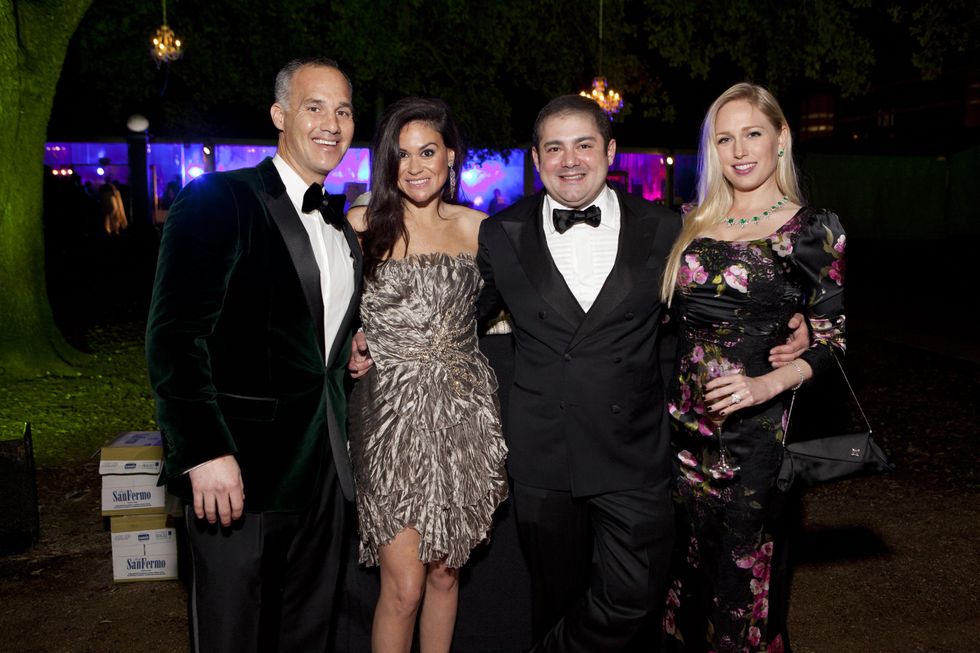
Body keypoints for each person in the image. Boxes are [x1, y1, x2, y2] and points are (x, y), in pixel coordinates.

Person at [472, 94, 809, 653]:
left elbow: (713, 303)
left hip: (635, 454)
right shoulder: (501, 232)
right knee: (554, 601)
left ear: (609, 150)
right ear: (535, 159)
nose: (569, 160)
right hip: (543, 458)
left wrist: (787, 323)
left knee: (637, 597)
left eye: (583, 144)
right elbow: (462, 318)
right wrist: (377, 340)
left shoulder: (665, 227)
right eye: (553, 148)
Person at [145, 57, 361, 652]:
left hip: (324, 471)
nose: (331, 123)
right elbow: (174, 337)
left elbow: (316, 340)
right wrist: (203, 450)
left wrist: (348, 352)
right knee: (232, 635)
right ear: (279, 114)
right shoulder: (219, 199)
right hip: (238, 470)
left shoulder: (341, 230)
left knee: (307, 632)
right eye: (314, 106)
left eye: (343, 110)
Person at [658, 83, 846, 653]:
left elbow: (833, 343)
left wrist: (768, 381)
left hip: (756, 445)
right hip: (679, 440)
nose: (739, 150)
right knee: (681, 588)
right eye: (724, 138)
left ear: (781, 138)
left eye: (753, 133)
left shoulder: (813, 229)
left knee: (740, 592)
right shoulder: (687, 223)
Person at [346, 97, 508, 653]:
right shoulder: (361, 227)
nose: (415, 166)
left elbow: (539, 301)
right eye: (401, 154)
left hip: (462, 414)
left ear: (451, 158)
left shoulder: (481, 229)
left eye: (428, 152)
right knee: (405, 587)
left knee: (444, 572)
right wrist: (347, 342)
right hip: (386, 415)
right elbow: (323, 314)